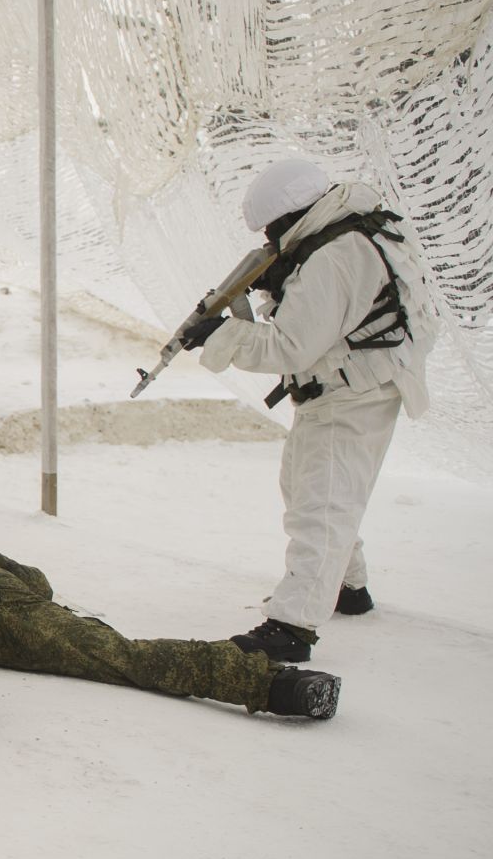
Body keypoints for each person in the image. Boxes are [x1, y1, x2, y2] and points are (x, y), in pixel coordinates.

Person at [182, 158, 442, 662]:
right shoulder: (343, 234)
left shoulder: (337, 254)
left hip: (354, 392)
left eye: (274, 230)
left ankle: (292, 626)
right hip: (343, 387)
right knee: (306, 486)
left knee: (322, 505)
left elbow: (290, 346)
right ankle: (349, 585)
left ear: (291, 216)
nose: (272, 241)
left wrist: (221, 334)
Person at [0, 527, 340, 727]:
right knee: (126, 655)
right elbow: (38, 580)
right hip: (12, 600)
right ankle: (276, 687)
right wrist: (27, 609)